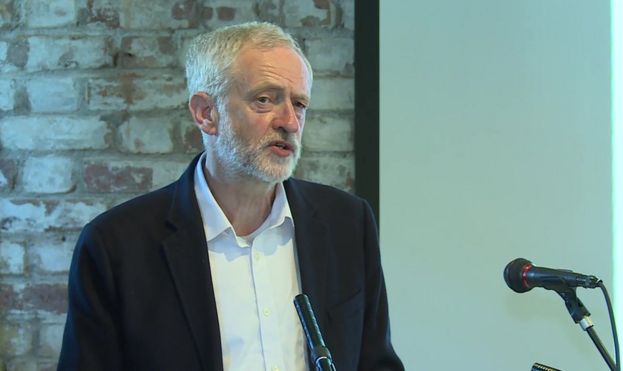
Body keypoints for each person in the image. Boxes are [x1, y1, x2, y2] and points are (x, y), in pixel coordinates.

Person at [58, 22, 403, 371]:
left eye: (299, 104)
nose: (290, 122)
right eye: (265, 100)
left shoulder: (346, 222)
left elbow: (375, 362)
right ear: (206, 113)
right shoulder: (116, 245)